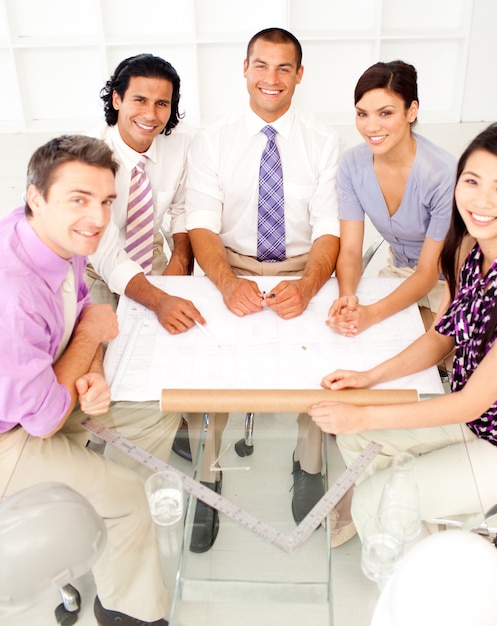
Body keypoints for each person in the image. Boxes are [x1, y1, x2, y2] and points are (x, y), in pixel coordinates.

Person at [309, 121, 497, 544]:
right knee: (359, 442)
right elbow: (442, 335)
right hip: (478, 421)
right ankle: (416, 531)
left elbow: (468, 404)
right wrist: (369, 378)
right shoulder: (470, 249)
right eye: (472, 181)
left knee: (374, 495)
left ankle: (408, 545)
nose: (481, 200)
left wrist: (362, 414)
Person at [0, 135, 177, 626]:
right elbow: (44, 420)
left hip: (44, 391)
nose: (98, 218)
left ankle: (109, 526)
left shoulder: (57, 236)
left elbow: (83, 311)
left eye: (105, 202)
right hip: (13, 434)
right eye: (79, 199)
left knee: (154, 411)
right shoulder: (10, 294)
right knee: (128, 502)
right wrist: (93, 334)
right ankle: (126, 612)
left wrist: (94, 364)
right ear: (36, 197)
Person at [182, 27, 341, 552]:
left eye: (283, 68)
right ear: (244, 69)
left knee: (321, 366)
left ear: (299, 74)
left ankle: (309, 460)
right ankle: (208, 477)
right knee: (210, 372)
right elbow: (202, 223)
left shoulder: (323, 139)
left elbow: (329, 229)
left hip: (303, 267)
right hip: (231, 267)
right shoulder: (213, 138)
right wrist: (227, 285)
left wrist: (311, 285)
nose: (270, 79)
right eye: (261, 66)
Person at [326, 60, 456, 338]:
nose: (371, 127)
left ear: (412, 111)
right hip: (399, 272)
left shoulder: (443, 175)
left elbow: (428, 272)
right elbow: (350, 250)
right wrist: (347, 296)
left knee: (424, 347)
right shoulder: (352, 164)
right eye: (362, 114)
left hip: (450, 281)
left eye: (385, 113)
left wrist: (371, 314)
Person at [86, 53, 205, 335]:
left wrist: (181, 259)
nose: (151, 115)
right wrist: (158, 299)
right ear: (117, 100)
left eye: (161, 103)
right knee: (100, 346)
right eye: (139, 100)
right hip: (89, 263)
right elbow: (102, 250)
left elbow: (183, 209)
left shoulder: (184, 142)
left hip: (148, 252)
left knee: (172, 339)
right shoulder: (88, 155)